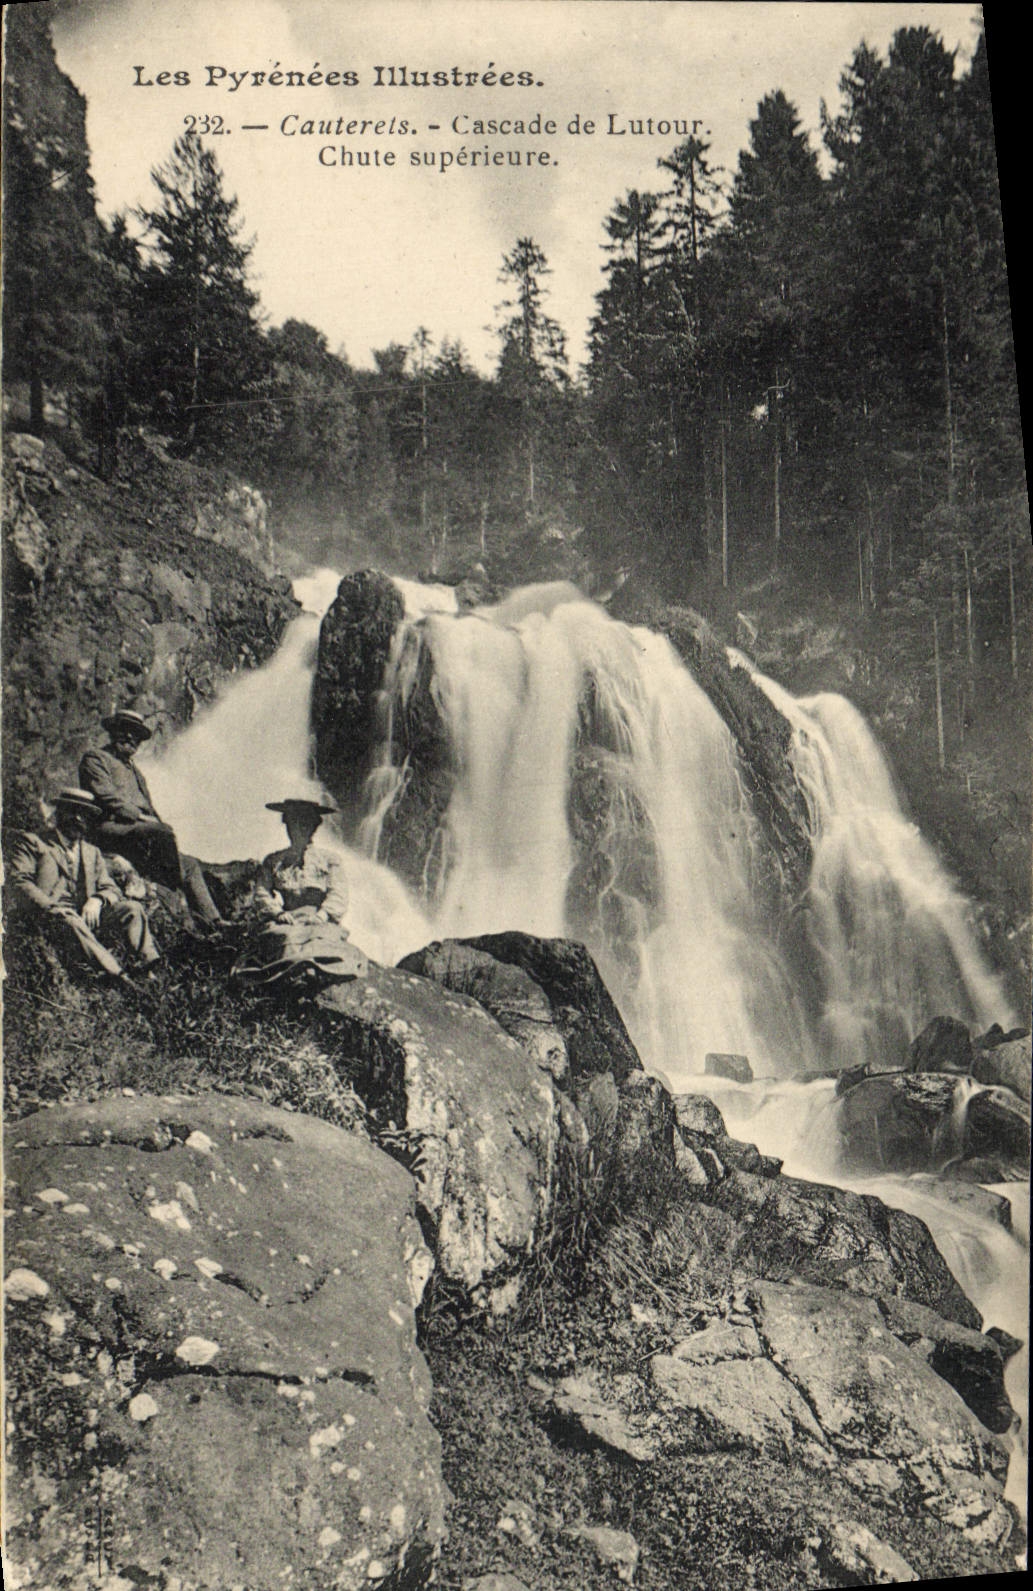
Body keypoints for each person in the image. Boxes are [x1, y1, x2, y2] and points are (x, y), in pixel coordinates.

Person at [79, 709, 224, 927]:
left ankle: (214, 921)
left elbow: (151, 809)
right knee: (160, 831)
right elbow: (106, 796)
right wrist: (142, 818)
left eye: (136, 735)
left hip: (141, 830)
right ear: (114, 732)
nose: (130, 738)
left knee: (190, 864)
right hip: (111, 826)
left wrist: (153, 820)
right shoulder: (96, 758)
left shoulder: (136, 772)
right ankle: (169, 885)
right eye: (125, 731)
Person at [8, 787, 160, 978]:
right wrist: (51, 908)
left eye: (84, 814)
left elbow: (110, 887)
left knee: (132, 908)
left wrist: (97, 900)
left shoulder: (92, 852)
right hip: (49, 917)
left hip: (86, 918)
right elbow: (19, 881)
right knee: (70, 920)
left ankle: (147, 967)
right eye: (72, 811)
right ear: (59, 812)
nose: (78, 819)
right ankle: (118, 975)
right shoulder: (34, 842)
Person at [254, 799, 349, 924]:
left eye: (305, 824)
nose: (298, 829)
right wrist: (277, 913)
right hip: (286, 920)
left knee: (324, 941)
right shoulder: (274, 860)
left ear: (314, 827)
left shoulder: (329, 859)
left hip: (320, 920)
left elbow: (338, 893)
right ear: (287, 825)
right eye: (293, 823)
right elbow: (261, 891)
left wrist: (322, 916)